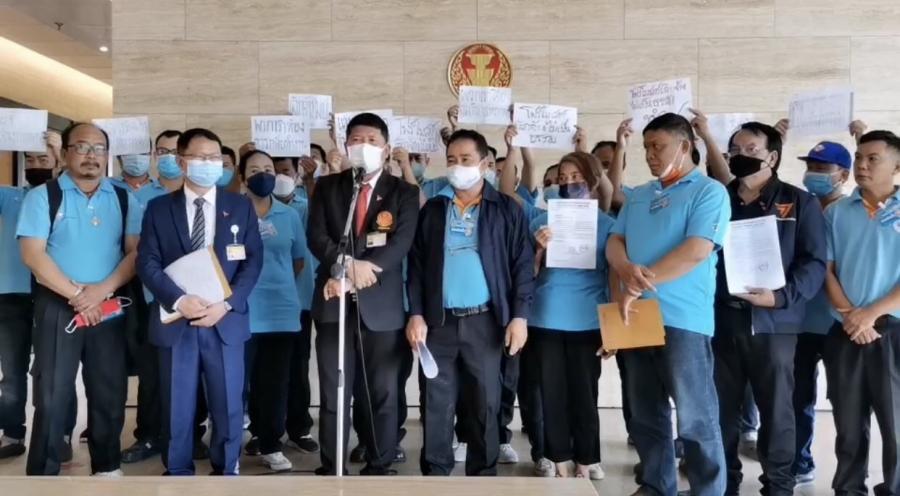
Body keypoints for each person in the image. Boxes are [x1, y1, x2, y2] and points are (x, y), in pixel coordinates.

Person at [694, 113, 827, 496]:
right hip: (721, 320)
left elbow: (814, 263)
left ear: (772, 157)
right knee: (720, 410)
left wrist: (779, 297)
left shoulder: (799, 202)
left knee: (777, 410)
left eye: (751, 149)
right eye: (735, 149)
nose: (741, 155)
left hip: (774, 323)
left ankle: (779, 486)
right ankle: (724, 484)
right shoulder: (717, 199)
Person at [606, 113, 729, 496]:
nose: (650, 155)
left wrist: (638, 284)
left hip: (683, 319)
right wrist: (625, 270)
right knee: (645, 412)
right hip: (635, 316)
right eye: (646, 147)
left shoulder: (709, 191)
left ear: (685, 146)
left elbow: (697, 250)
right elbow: (615, 241)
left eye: (657, 146)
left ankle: (708, 490)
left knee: (695, 416)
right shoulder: (640, 195)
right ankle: (656, 485)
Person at [18, 122, 143, 476]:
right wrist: (78, 296)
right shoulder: (43, 196)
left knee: (109, 389)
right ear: (65, 153)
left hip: (108, 304)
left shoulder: (123, 198)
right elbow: (33, 255)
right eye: (82, 147)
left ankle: (107, 465)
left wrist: (100, 292)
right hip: (58, 303)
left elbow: (134, 253)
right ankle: (43, 471)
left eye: (99, 149)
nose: (91, 156)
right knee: (51, 392)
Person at [136, 128, 263, 476]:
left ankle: (227, 470)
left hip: (225, 320)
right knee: (176, 406)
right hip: (177, 320)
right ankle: (178, 472)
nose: (209, 164)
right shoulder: (159, 208)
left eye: (214, 158)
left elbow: (253, 260)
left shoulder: (240, 206)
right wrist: (178, 300)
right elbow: (147, 262)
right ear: (181, 162)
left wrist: (228, 303)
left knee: (228, 404)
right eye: (200, 157)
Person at [407, 129, 533, 476]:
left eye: (465, 159)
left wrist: (519, 317)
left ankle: (483, 474)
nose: (457, 166)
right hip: (438, 323)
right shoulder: (434, 209)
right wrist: (416, 313)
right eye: (451, 160)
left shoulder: (506, 209)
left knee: (485, 402)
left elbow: (523, 266)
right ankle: (435, 473)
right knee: (436, 402)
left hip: (486, 323)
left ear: (485, 163)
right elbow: (416, 267)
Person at [306, 113, 418, 476]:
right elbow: (317, 236)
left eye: (371, 140)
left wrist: (358, 273)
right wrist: (346, 265)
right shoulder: (328, 187)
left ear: (386, 149)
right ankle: (333, 465)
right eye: (356, 139)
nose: (363, 146)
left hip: (381, 307)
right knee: (334, 390)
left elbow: (401, 243)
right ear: (345, 145)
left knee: (381, 391)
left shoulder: (403, 192)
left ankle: (380, 463)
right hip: (333, 303)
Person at [822, 130, 900, 495]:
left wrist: (872, 314)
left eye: (873, 159)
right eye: (858, 158)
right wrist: (852, 315)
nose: (862, 165)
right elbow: (827, 270)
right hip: (846, 331)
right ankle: (849, 489)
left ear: (896, 166)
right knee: (849, 426)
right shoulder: (837, 212)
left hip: (893, 331)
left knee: (896, 425)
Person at [530, 151, 614, 479]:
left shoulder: (608, 225)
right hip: (546, 316)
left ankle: (587, 458)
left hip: (588, 320)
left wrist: (613, 330)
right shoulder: (540, 222)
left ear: (592, 181)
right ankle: (558, 458)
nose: (568, 184)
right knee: (551, 392)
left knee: (585, 392)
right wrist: (538, 250)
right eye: (563, 179)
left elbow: (613, 278)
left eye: (576, 177)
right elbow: (526, 275)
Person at [238, 150, 306, 472]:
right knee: (238, 382)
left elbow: (298, 259)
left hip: (281, 310)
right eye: (254, 170)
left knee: (275, 383)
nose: (263, 174)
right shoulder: (231, 213)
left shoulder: (289, 215)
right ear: (242, 178)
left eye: (268, 168)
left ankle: (271, 444)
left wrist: (274, 281)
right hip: (241, 310)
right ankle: (231, 442)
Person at [793, 138, 855, 486]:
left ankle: (850, 477)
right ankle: (800, 462)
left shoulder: (849, 213)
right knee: (797, 397)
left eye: (821, 168)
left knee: (844, 401)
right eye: (810, 167)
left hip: (838, 323)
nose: (813, 174)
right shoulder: (802, 207)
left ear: (842, 175)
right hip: (799, 322)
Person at [0, 130, 60, 460]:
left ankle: (57, 432)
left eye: (44, 158)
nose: (36, 164)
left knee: (54, 368)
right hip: (12, 293)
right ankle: (12, 433)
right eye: (31, 159)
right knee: (12, 370)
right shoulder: (9, 196)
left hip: (55, 291)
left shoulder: (64, 196)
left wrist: (60, 153)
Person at [272, 156, 319, 454]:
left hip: (299, 300)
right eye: (274, 171)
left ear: (296, 174)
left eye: (286, 171)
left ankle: (299, 428)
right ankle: (266, 432)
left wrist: (312, 181)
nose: (280, 177)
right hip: (263, 304)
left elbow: (324, 214)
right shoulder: (252, 207)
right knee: (265, 369)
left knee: (298, 367)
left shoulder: (305, 204)